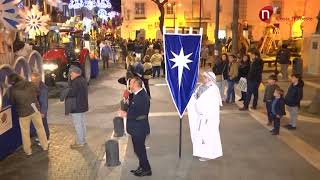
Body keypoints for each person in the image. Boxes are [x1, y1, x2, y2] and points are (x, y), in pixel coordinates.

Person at [119, 77, 152, 177]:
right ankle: (142, 166)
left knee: (140, 150)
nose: (129, 84)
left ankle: (146, 169)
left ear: (136, 84)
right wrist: (126, 99)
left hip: (139, 128)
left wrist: (125, 114)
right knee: (138, 149)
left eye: (131, 83)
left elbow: (140, 112)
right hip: (136, 128)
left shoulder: (142, 97)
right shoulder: (137, 94)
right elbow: (131, 106)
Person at [9, 73, 48, 156]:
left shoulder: (12, 89)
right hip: (34, 109)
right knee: (40, 128)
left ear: (12, 82)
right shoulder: (30, 84)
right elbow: (38, 92)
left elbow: (12, 102)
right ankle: (45, 146)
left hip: (23, 113)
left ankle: (28, 151)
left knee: (25, 132)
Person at [187, 71, 223, 161]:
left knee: (208, 135)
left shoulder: (213, 89)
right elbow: (195, 97)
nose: (204, 79)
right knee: (200, 135)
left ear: (211, 78)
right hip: (202, 117)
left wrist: (202, 110)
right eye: (203, 77)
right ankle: (200, 151)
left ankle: (208, 154)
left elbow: (209, 104)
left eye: (206, 77)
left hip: (209, 117)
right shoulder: (201, 86)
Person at [67, 66, 89, 148]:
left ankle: (80, 142)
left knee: (78, 124)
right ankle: (83, 140)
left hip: (76, 107)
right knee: (82, 123)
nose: (70, 74)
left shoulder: (75, 82)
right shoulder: (83, 80)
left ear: (75, 73)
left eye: (71, 73)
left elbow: (72, 93)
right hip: (82, 105)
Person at [31, 72, 50, 141]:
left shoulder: (43, 88)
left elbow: (44, 101)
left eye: (33, 79)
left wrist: (43, 112)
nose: (32, 81)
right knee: (40, 123)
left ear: (37, 79)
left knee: (43, 123)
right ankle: (41, 137)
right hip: (37, 108)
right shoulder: (37, 86)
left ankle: (46, 138)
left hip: (41, 109)